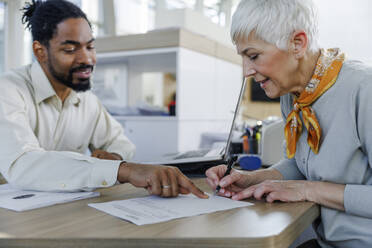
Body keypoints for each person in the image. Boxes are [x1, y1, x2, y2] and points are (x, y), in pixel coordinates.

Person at [0, 0, 208, 200]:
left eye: (90, 47)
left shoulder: (86, 101)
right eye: (70, 49)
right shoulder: (8, 90)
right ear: (40, 51)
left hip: (59, 212)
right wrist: (121, 170)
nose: (87, 59)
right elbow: (22, 163)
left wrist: (115, 157)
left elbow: (120, 143)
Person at [206, 0, 372, 247]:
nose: (246, 71)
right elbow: (300, 162)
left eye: (253, 56)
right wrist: (252, 178)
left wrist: (309, 190)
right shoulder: (291, 95)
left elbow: (307, 183)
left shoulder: (363, 90)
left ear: (298, 43)